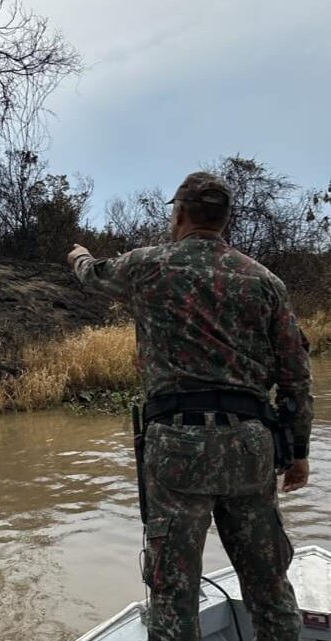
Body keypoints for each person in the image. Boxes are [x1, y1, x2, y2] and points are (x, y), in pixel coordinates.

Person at [67, 171, 313, 641]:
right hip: (250, 447)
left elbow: (92, 274)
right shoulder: (265, 282)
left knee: (173, 595)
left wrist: (77, 255)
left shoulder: (147, 265)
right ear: (224, 220)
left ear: (179, 213)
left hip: (177, 445)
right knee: (269, 585)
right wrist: (298, 451)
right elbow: (296, 375)